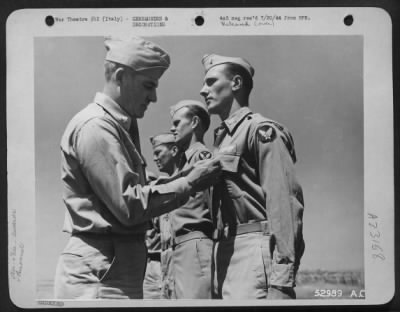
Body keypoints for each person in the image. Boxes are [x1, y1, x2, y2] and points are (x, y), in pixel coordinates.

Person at [54, 37, 221, 299]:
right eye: (148, 86)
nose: (153, 97)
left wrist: (188, 175)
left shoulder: (118, 125)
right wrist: (191, 182)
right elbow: (130, 206)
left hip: (112, 267)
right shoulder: (96, 127)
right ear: (121, 76)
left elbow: (136, 192)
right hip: (100, 275)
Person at [199, 54, 305, 299]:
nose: (203, 90)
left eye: (211, 81)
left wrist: (281, 280)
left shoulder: (262, 130)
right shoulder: (222, 140)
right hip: (224, 251)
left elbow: (283, 203)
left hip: (253, 251)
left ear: (236, 83)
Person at [169, 100, 214, 299]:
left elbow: (215, 206)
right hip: (180, 247)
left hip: (195, 245)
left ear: (194, 122)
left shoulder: (202, 158)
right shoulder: (185, 161)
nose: (172, 128)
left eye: (177, 123)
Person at [143, 132, 181, 299]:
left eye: (158, 153)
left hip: (173, 256)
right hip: (152, 261)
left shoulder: (174, 187)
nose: (155, 159)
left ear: (174, 150)